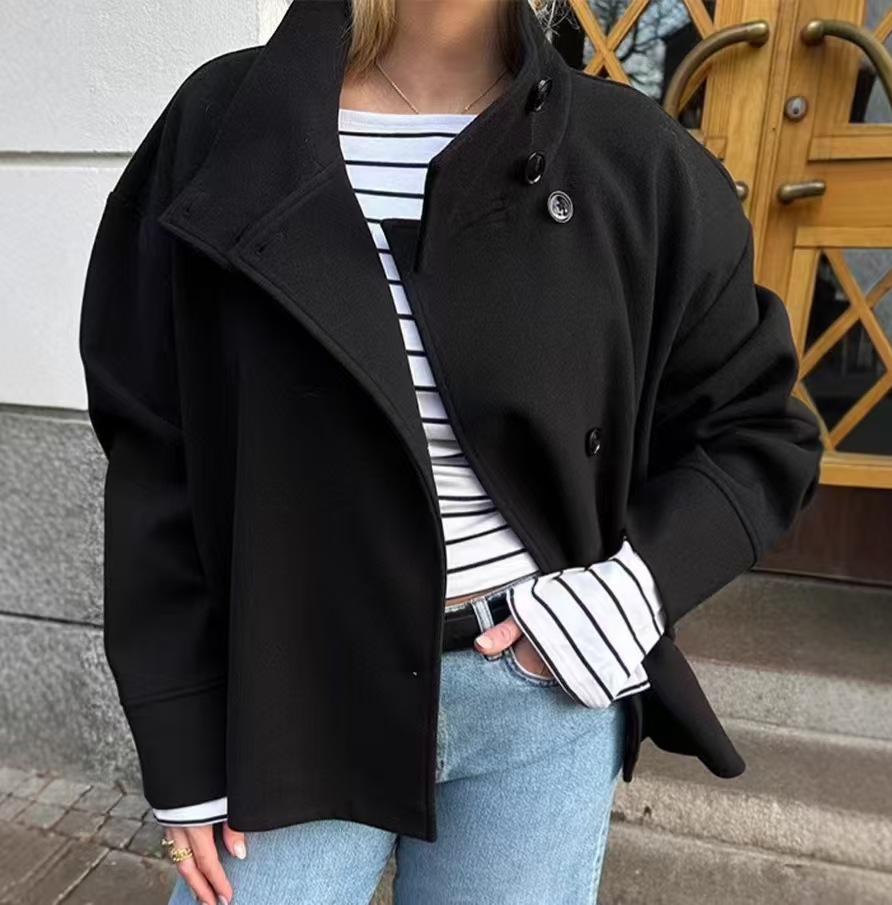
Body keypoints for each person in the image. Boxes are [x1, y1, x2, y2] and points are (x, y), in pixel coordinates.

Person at [78, 0, 824, 903]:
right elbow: (154, 441)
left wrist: (628, 591)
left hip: (538, 697)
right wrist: (181, 730)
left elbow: (755, 428)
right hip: (293, 692)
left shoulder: (628, 156)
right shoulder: (226, 124)